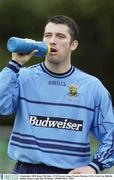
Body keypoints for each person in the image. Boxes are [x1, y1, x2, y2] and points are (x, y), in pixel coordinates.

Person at [0, 15, 114, 174]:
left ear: (73, 45)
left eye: (60, 36)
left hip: (72, 174)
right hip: (25, 172)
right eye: (48, 35)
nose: (52, 41)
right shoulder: (22, 76)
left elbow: (111, 133)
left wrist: (94, 166)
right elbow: (2, 107)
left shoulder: (92, 86)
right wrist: (14, 65)